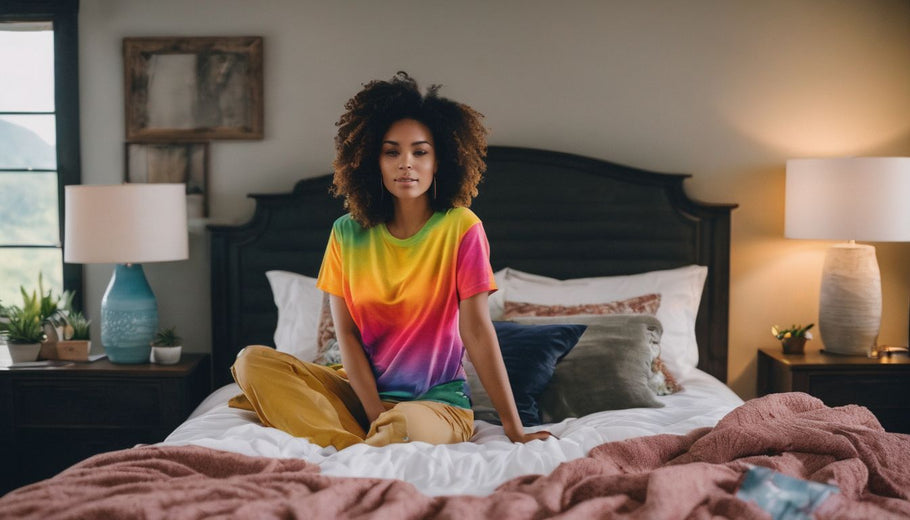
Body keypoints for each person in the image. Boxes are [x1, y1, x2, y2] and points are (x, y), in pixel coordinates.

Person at [230, 72, 550, 449]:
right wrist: (373, 411)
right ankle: (360, 440)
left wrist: (514, 429)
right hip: (360, 394)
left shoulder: (462, 228)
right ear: (372, 160)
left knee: (403, 426)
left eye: (420, 151)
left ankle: (347, 436)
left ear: (440, 160)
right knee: (251, 361)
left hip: (436, 405)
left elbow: (478, 333)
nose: (406, 163)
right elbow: (346, 334)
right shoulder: (346, 232)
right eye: (391, 151)